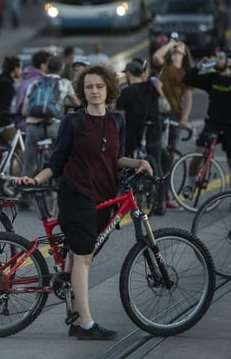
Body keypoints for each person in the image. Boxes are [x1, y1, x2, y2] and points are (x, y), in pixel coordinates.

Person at [15, 64, 152, 340]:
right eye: (89, 87)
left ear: (109, 89)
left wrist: (140, 162)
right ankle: (87, 325)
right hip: (76, 195)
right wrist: (36, 179)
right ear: (82, 91)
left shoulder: (117, 121)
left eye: (99, 86)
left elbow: (115, 157)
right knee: (83, 258)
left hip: (104, 197)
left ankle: (76, 320)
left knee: (78, 257)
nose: (94, 91)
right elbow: (57, 160)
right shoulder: (73, 121)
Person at [182, 48, 231, 211]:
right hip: (213, 123)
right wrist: (199, 66)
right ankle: (189, 183)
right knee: (199, 152)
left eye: (220, 58)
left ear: (229, 62)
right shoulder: (212, 78)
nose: (217, 60)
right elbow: (188, 80)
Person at [115, 59, 167, 215]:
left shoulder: (125, 92)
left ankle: (125, 199)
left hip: (133, 133)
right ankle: (160, 203)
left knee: (126, 163)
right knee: (156, 165)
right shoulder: (151, 87)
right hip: (153, 131)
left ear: (129, 74)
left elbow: (119, 117)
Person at [22, 55, 80, 178]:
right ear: (62, 69)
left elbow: (24, 110)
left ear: (46, 68)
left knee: (28, 165)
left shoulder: (35, 83)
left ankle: (24, 195)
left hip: (32, 126)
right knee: (60, 158)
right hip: (53, 126)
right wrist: (61, 102)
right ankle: (58, 189)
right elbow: (76, 103)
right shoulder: (64, 83)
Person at [152, 38, 194, 209]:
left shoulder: (186, 73)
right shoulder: (164, 66)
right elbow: (156, 57)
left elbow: (188, 99)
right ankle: (153, 189)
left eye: (181, 45)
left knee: (171, 155)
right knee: (155, 149)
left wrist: (184, 118)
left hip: (174, 115)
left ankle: (167, 193)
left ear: (185, 52)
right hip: (158, 113)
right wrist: (170, 44)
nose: (178, 46)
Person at [13, 49, 53, 133]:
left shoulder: (26, 79)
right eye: (49, 64)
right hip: (30, 124)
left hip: (20, 121)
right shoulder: (39, 82)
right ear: (43, 66)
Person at [0, 55, 23, 145]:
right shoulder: (7, 85)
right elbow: (4, 106)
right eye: (20, 68)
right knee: (17, 147)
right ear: (15, 69)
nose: (21, 71)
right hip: (3, 122)